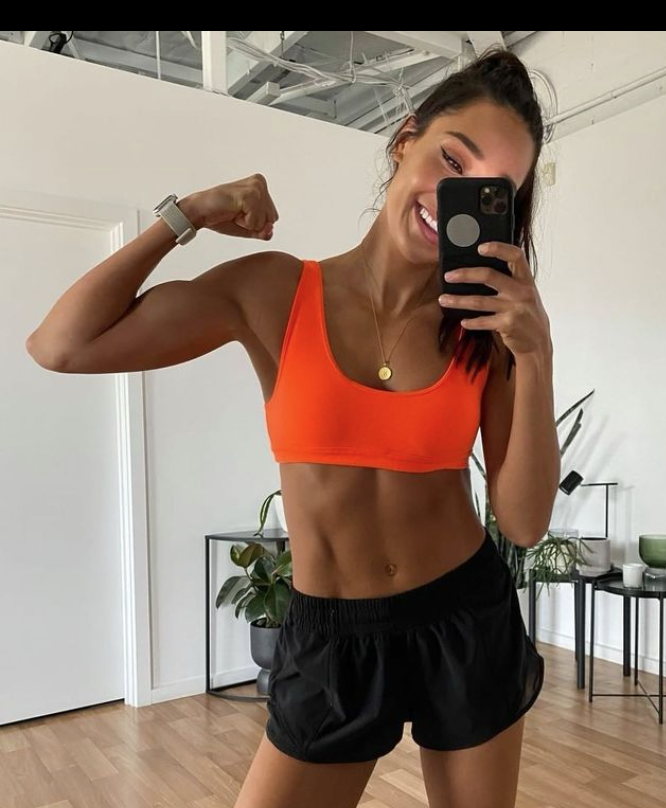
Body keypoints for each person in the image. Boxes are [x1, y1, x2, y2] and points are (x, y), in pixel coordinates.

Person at [24, 48, 558, 808]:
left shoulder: (487, 327)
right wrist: (187, 214)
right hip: (333, 636)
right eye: (451, 159)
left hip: (465, 617)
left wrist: (536, 354)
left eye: (491, 186)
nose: (456, 196)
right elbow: (61, 345)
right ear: (404, 139)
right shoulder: (274, 291)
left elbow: (525, 523)